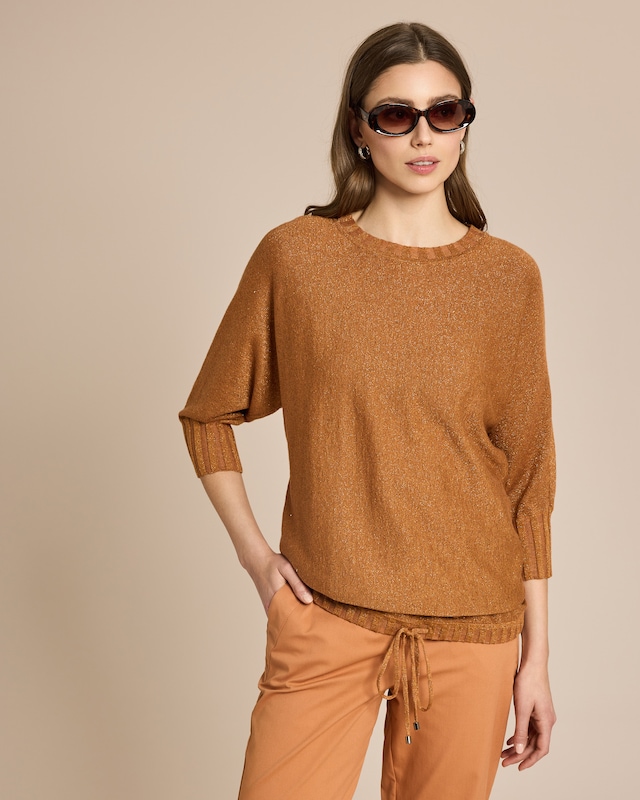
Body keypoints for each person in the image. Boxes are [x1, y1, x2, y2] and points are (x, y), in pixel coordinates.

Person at [179, 21, 556, 800]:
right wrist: (258, 560)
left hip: (473, 628)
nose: (423, 135)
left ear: (464, 124)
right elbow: (207, 416)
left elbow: (528, 483)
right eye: (395, 115)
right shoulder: (298, 258)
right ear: (359, 129)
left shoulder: (508, 279)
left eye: (444, 112)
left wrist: (536, 660)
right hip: (326, 617)